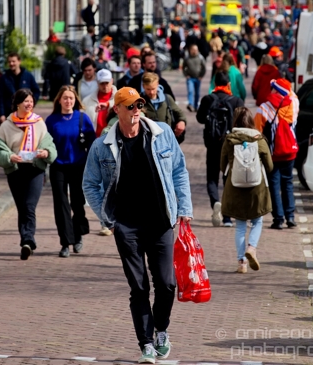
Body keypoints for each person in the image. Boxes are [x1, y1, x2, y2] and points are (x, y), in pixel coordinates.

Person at [82, 86, 193, 364]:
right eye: (129, 106)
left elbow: (179, 170)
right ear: (117, 110)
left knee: (167, 284)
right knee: (139, 287)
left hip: (160, 221)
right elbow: (90, 184)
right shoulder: (102, 145)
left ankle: (161, 331)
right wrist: (109, 220)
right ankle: (145, 343)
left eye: (138, 105)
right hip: (127, 226)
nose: (135, 111)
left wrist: (185, 208)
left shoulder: (161, 134)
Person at [0, 89, 57, 260]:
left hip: (35, 170)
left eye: (31, 101)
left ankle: (28, 240)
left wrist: (45, 152)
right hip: (16, 170)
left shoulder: (39, 123)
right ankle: (26, 241)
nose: (29, 104)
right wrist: (9, 156)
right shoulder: (7, 125)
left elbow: (50, 145)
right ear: (18, 103)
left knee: (29, 206)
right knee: (22, 207)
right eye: (26, 101)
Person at [45, 86, 96, 258]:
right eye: (65, 98)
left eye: (71, 98)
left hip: (79, 166)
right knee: (61, 204)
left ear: (75, 101)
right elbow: (45, 143)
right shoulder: (51, 121)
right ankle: (65, 242)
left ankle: (78, 233)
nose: (68, 101)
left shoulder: (82, 118)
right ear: (59, 100)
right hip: (58, 166)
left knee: (77, 203)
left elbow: (92, 143)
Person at [220, 107, 273, 273]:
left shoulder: (229, 139)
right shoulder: (259, 140)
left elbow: (222, 166)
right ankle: (252, 248)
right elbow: (270, 166)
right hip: (256, 188)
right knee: (257, 220)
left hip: (235, 188)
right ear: (251, 121)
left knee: (240, 225)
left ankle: (241, 263)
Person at [197, 72, 244, 227]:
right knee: (228, 180)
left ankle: (216, 202)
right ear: (229, 85)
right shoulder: (236, 101)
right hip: (230, 146)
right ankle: (227, 218)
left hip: (212, 145)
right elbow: (242, 124)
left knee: (211, 178)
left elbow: (200, 118)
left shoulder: (207, 99)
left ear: (215, 84)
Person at [254, 78, 300, 230]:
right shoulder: (293, 105)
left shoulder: (264, 107)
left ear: (275, 90)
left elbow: (257, 131)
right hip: (289, 152)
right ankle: (290, 216)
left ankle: (278, 219)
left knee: (273, 184)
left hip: (272, 153)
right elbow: (293, 95)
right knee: (287, 183)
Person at [141, 72, 187, 142]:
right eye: (148, 89)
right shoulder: (139, 101)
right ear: (143, 86)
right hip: (148, 139)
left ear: (157, 84)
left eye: (153, 89)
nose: (151, 92)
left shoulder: (167, 98)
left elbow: (179, 112)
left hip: (166, 137)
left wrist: (182, 122)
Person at [0, 53, 40, 120]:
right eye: (9, 62)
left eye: (13, 61)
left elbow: (36, 91)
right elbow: (0, 97)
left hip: (25, 113)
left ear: (19, 61)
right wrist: (1, 114)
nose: (11, 64)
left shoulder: (28, 76)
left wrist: (31, 104)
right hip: (9, 114)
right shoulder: (4, 78)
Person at [82, 69, 117, 138]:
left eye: (107, 82)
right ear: (97, 82)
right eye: (102, 83)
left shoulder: (120, 98)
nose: (105, 86)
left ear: (112, 81)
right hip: (94, 139)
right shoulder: (86, 101)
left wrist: (108, 104)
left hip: (114, 138)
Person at [182, 44, 206, 112]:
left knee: (197, 93)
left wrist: (201, 76)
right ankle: (190, 104)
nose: (195, 51)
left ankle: (196, 106)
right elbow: (183, 67)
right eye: (193, 50)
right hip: (190, 78)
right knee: (190, 91)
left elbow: (204, 68)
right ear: (190, 50)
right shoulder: (187, 58)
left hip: (198, 78)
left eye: (196, 50)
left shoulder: (200, 57)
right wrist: (186, 75)